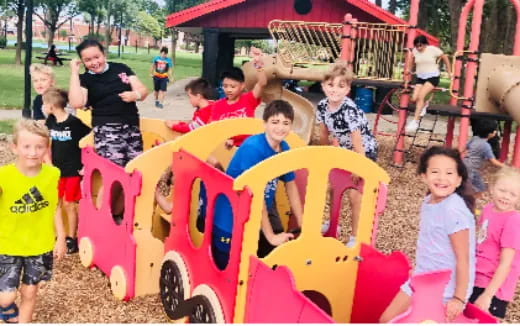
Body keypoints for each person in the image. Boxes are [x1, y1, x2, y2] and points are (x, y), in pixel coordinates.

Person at [379, 146, 476, 323]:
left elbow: (463, 259)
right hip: (424, 278)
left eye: (449, 173)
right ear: (424, 176)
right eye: (435, 172)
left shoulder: (454, 211)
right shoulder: (428, 202)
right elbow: (431, 242)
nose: (441, 178)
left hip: (445, 287)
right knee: (387, 320)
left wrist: (459, 298)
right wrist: (420, 267)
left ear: (458, 179)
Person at [211, 100, 303, 270]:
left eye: (286, 123)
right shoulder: (253, 148)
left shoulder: (283, 148)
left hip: (258, 216)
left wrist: (303, 222)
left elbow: (290, 185)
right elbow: (254, 195)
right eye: (275, 122)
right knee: (229, 269)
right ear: (265, 124)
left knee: (267, 263)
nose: (280, 128)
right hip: (232, 218)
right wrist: (270, 235)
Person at [68, 39, 148, 217]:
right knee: (114, 173)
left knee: (133, 172)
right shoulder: (86, 79)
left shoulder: (121, 68)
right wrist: (74, 73)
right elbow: (77, 102)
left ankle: (117, 216)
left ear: (104, 54)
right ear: (83, 62)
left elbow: (143, 90)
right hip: (107, 129)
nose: (94, 62)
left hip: (131, 127)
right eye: (87, 60)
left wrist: (134, 94)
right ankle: (101, 218)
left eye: (97, 57)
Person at [0, 119, 66, 323]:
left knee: (30, 293)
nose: (33, 152)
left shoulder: (52, 175)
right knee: (6, 297)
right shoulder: (4, 176)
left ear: (47, 148)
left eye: (39, 147)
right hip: (8, 244)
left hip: (40, 245)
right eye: (26, 146)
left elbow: (55, 206)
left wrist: (61, 237)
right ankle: (6, 307)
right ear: (14, 147)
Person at [316, 61, 378, 248]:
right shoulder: (322, 106)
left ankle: (354, 236)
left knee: (353, 193)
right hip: (344, 150)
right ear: (323, 86)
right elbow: (324, 135)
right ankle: (332, 224)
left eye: (340, 86)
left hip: (364, 151)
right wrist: (323, 158)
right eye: (330, 85)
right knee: (333, 187)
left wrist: (359, 166)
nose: (334, 90)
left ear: (347, 89)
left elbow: (358, 142)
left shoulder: (348, 109)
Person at [43, 88, 91, 254]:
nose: (43, 107)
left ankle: (72, 237)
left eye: (44, 104)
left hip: (72, 170)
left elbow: (90, 138)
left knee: (70, 204)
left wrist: (86, 164)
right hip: (56, 170)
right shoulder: (50, 121)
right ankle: (60, 236)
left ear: (51, 106)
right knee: (57, 203)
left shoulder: (74, 123)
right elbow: (47, 141)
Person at [469, 167, 520, 319]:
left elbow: (506, 263)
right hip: (476, 277)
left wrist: (488, 295)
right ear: (492, 188)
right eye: (502, 190)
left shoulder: (513, 220)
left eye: (512, 194)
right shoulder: (488, 209)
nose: (506, 197)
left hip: (493, 288)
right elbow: (482, 241)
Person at [210, 46, 267, 147]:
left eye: (233, 86)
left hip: (247, 147)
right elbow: (214, 129)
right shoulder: (217, 105)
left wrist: (258, 63)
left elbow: (262, 83)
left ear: (242, 86)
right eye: (225, 86)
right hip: (225, 149)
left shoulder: (249, 99)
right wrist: (225, 140)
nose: (228, 90)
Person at [404, 35, 452, 133]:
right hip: (420, 77)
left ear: (425, 44)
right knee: (414, 98)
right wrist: (409, 69)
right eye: (416, 46)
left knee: (421, 96)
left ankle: (415, 121)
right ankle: (424, 105)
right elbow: (412, 61)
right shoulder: (415, 51)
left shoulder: (432, 49)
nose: (418, 48)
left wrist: (449, 71)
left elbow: (445, 57)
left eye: (420, 45)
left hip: (432, 77)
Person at [464, 119, 504, 196]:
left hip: (468, 165)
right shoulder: (486, 146)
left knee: (480, 187)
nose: (495, 132)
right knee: (466, 189)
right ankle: (465, 202)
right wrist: (505, 167)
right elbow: (493, 161)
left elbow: (463, 148)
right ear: (490, 134)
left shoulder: (474, 138)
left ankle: (472, 203)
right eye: (494, 130)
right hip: (471, 169)